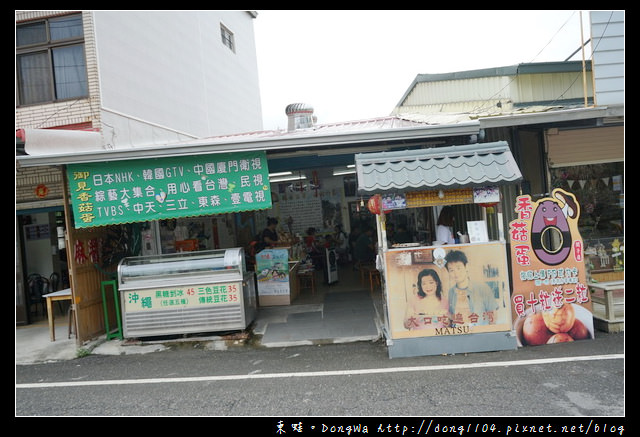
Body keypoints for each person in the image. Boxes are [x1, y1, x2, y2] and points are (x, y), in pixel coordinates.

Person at [444, 250, 498, 326]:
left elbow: (493, 317)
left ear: (466, 267)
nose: (456, 273)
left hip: (478, 334)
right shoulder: (451, 292)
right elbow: (452, 317)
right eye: (451, 270)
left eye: (458, 268)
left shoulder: (483, 288)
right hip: (459, 334)